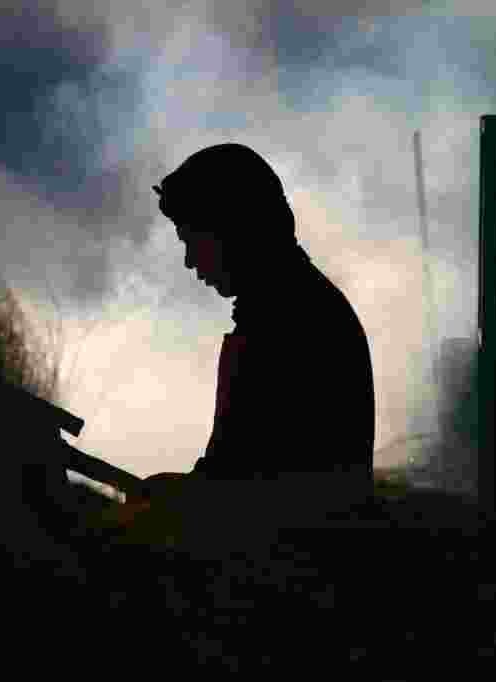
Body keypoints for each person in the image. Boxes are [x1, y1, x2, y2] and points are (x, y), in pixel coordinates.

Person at [140, 143, 376, 528]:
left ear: (233, 229)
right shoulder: (297, 308)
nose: (189, 261)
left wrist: (184, 494)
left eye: (192, 241)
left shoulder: (289, 325)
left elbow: (270, 495)